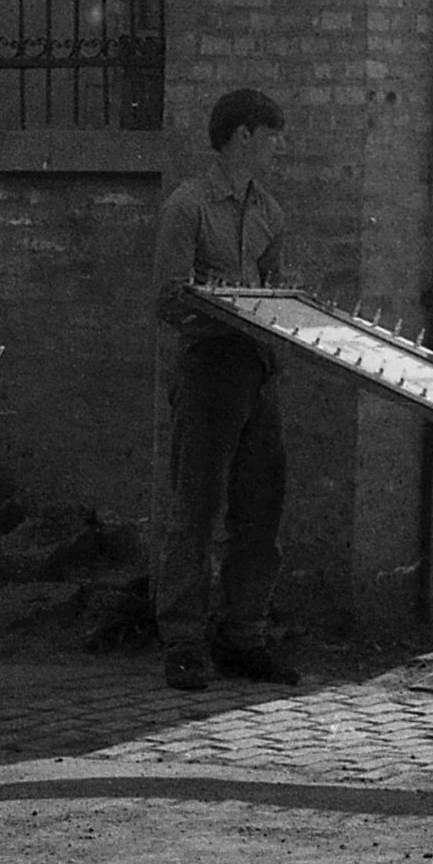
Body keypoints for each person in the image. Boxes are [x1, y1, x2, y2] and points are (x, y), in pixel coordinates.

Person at [153, 88, 300, 692]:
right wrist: (226, 310)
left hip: (257, 373)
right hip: (209, 369)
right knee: (195, 510)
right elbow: (168, 298)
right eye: (271, 137)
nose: (277, 149)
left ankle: (244, 635)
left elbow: (278, 288)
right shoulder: (187, 207)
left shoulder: (269, 212)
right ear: (243, 136)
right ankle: (183, 642)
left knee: (261, 510)